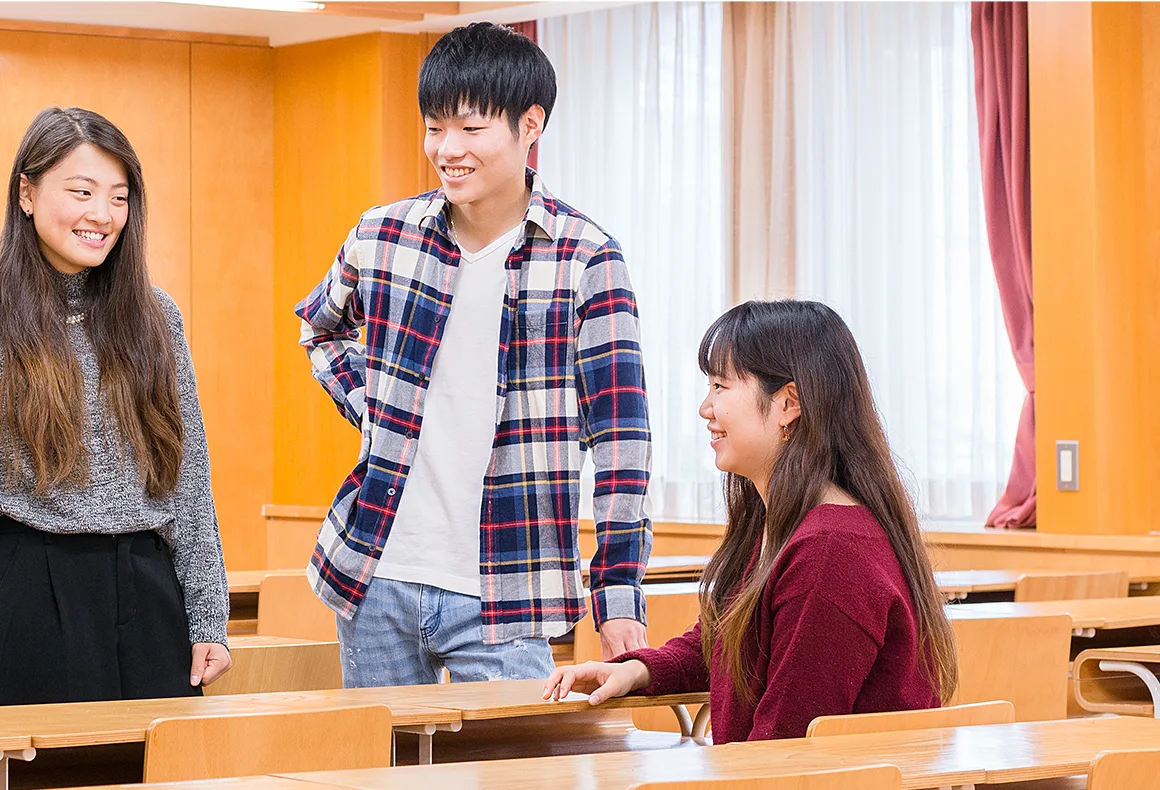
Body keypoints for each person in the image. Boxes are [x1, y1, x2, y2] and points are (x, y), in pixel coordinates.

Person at [294, 21, 654, 687]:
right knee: (379, 774)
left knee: (520, 771)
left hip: (508, 590)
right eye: (435, 127)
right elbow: (320, 328)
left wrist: (619, 591)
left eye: (471, 129)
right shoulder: (383, 235)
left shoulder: (586, 258)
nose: (447, 148)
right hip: (376, 572)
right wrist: (373, 408)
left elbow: (621, 440)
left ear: (531, 125)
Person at [0, 106, 231, 706]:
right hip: (28, 590)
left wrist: (208, 618)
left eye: (118, 198)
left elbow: (188, 479)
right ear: (27, 193)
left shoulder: (157, 318)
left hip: (149, 590)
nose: (102, 215)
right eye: (82, 192)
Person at [543, 300, 956, 743]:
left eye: (721, 386)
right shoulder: (785, 524)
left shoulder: (829, 552)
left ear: (788, 403)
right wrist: (636, 669)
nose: (706, 408)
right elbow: (724, 647)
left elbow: (783, 745)